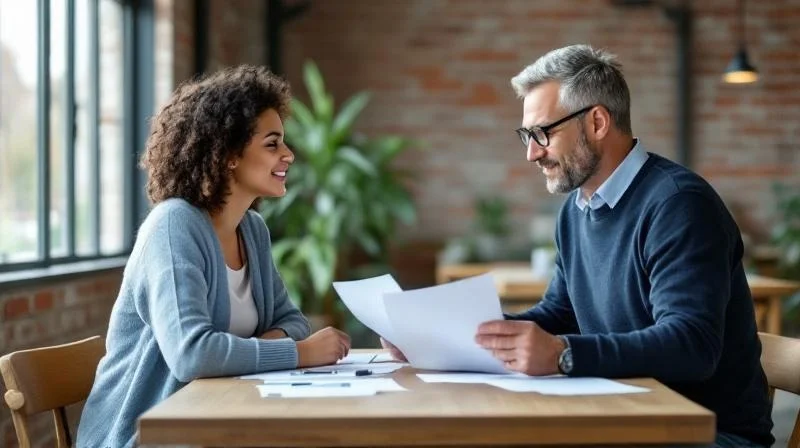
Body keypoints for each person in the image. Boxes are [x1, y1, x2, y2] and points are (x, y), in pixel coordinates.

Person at [383, 45, 774, 448]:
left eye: (542, 133)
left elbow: (692, 345)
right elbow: (560, 314)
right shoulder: (577, 210)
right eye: (526, 136)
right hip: (623, 418)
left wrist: (563, 355)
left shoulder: (678, 204)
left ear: (598, 122)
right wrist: (444, 336)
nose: (532, 153)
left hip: (709, 434)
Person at [77, 65, 352, 448]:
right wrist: (298, 353)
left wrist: (271, 345)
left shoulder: (252, 230)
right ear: (228, 155)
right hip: (145, 437)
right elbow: (192, 354)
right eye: (272, 144)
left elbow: (291, 319)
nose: (288, 154)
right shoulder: (174, 226)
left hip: (217, 423)